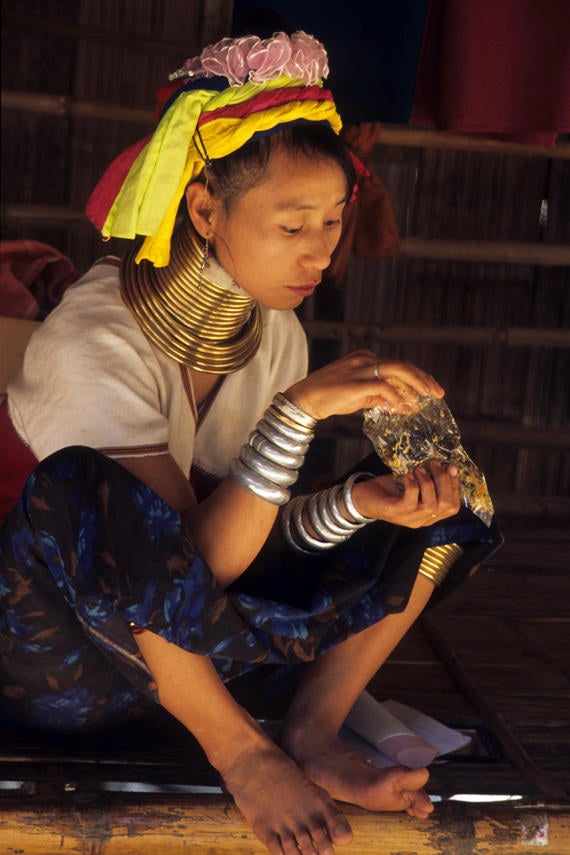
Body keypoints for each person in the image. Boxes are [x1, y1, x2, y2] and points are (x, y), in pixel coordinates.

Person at [0, 31, 501, 855]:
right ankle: (245, 753)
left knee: (452, 492)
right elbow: (178, 568)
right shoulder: (92, 338)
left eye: (334, 223)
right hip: (64, 667)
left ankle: (313, 726)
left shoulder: (275, 337)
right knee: (79, 484)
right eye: (294, 223)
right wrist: (295, 416)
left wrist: (355, 505)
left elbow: (247, 538)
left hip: (208, 660)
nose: (322, 252)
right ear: (204, 209)